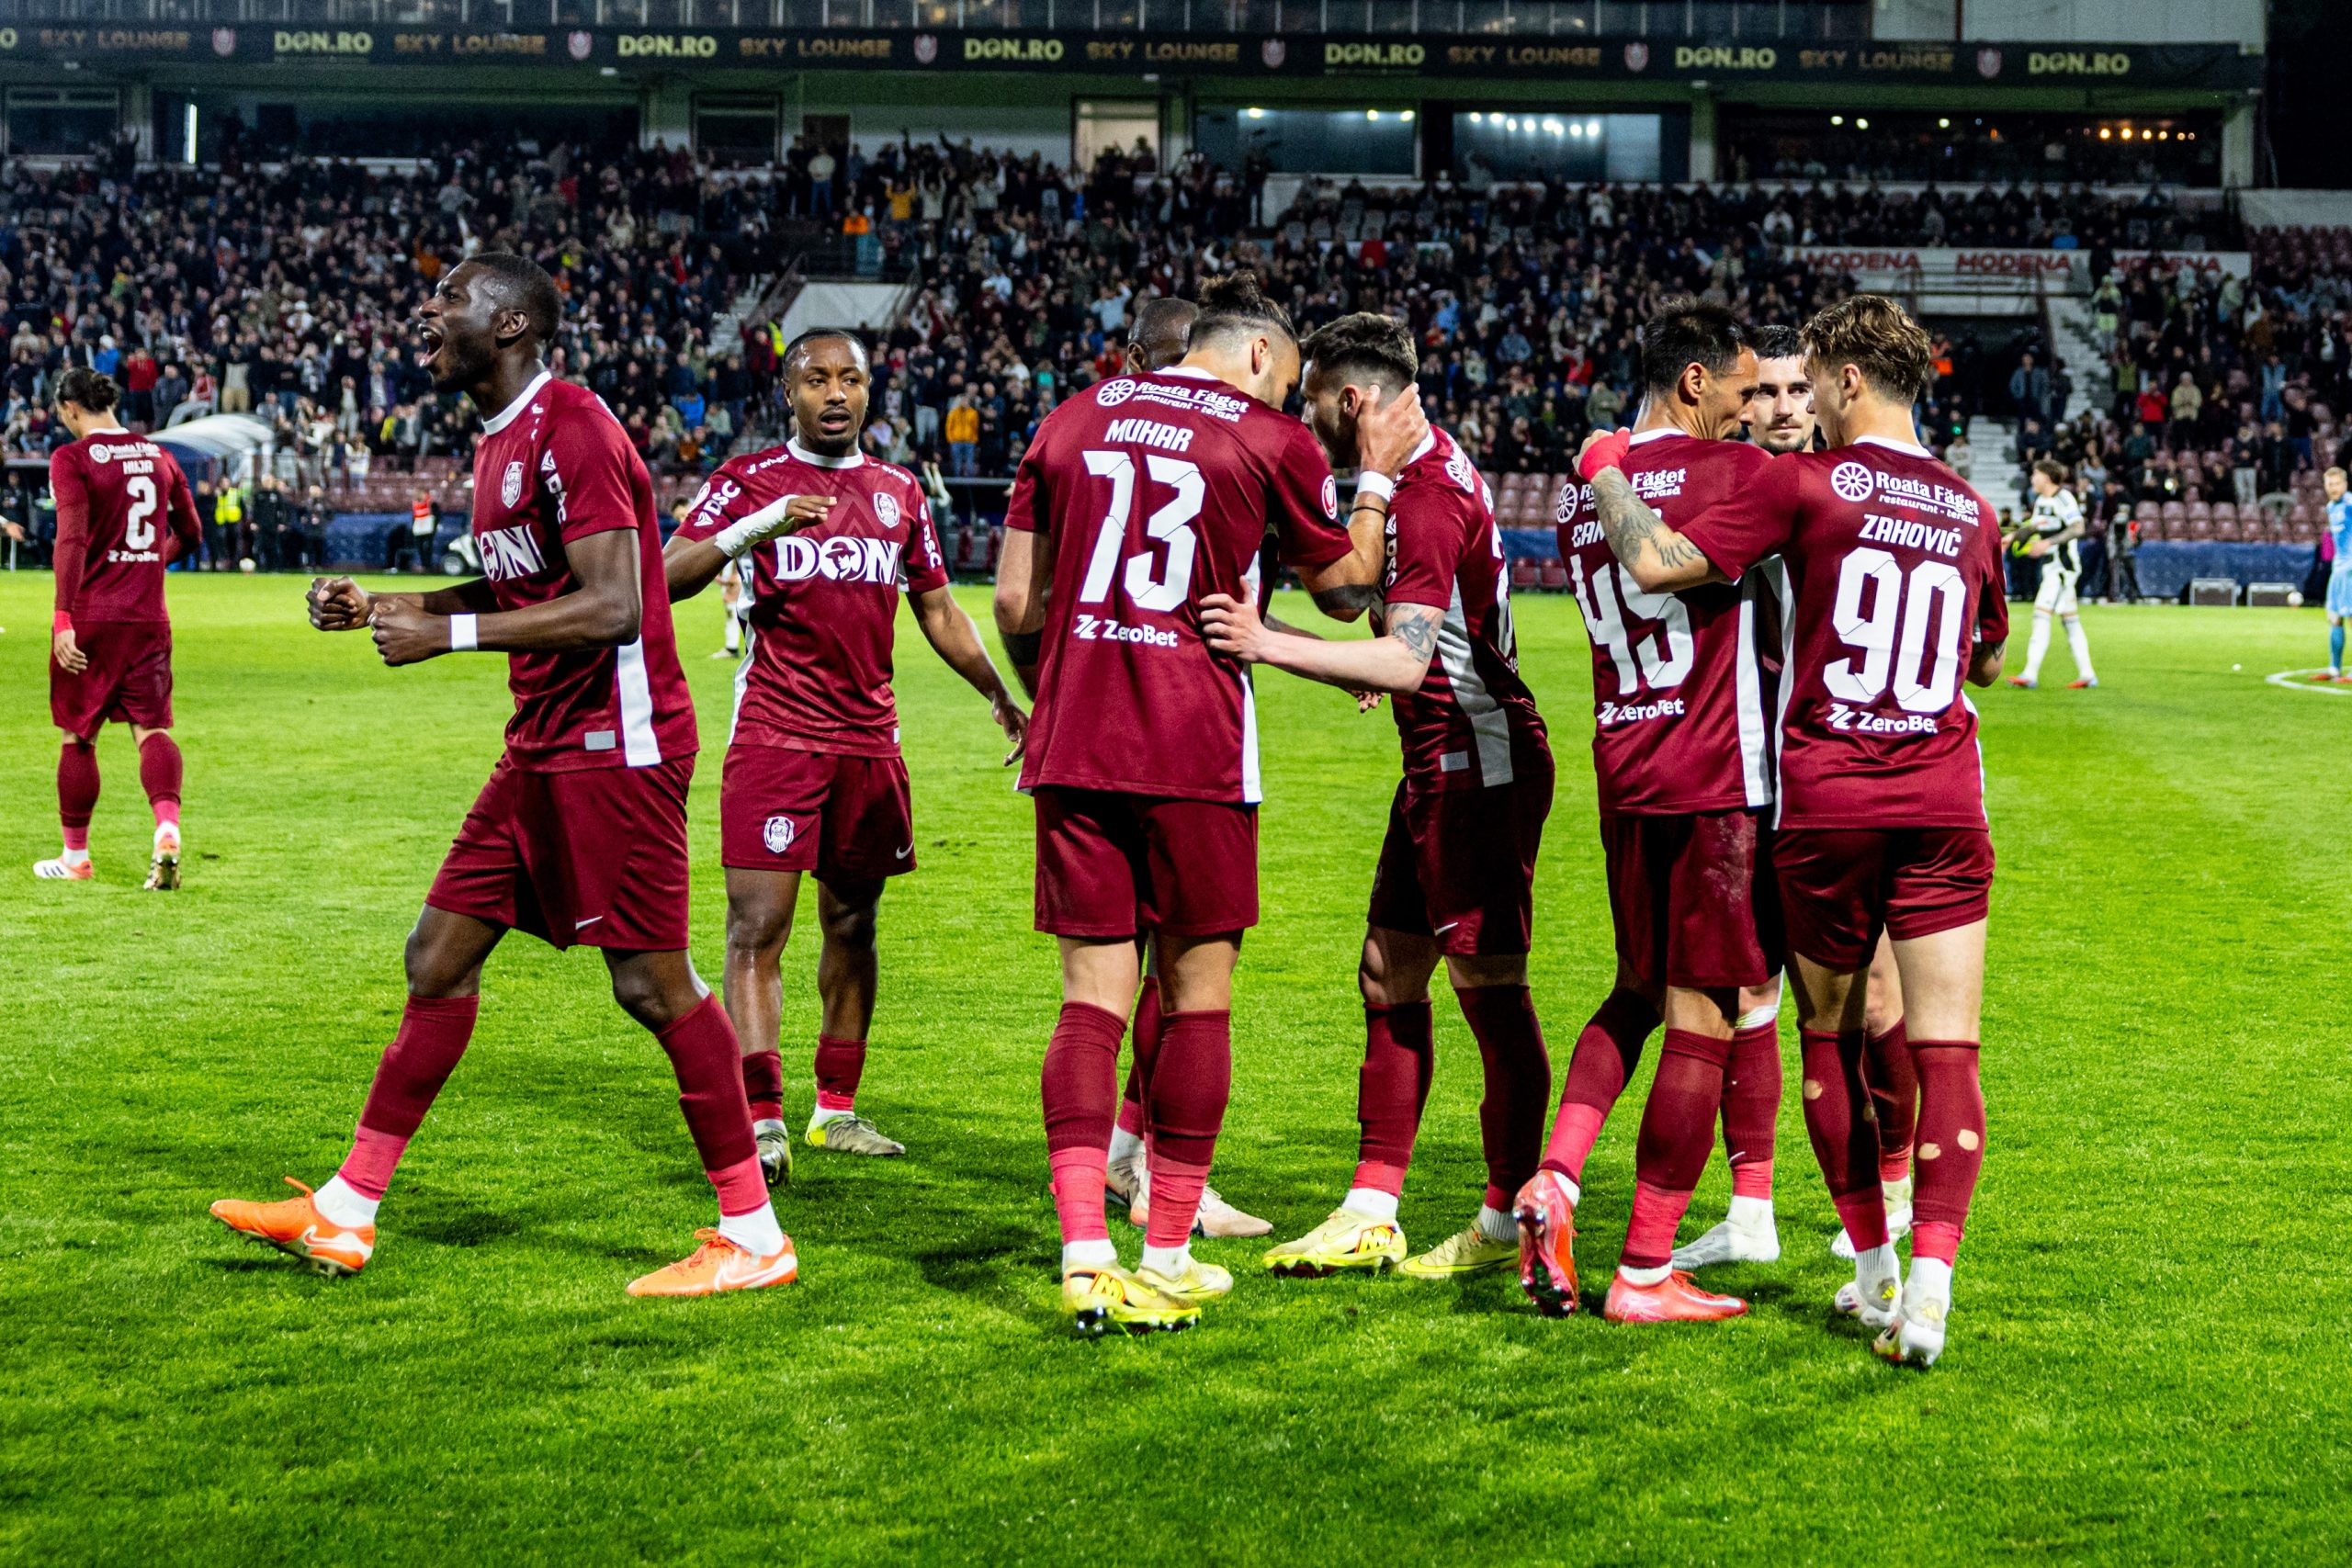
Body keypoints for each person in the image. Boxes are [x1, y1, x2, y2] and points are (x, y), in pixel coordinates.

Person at [208, 253, 792, 1299]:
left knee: (653, 986)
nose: (427, 312)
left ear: (511, 323)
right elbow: (525, 582)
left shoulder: (575, 427)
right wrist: (399, 605)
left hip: (618, 746)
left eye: (450, 298)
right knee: (436, 958)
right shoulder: (499, 437)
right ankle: (347, 1210)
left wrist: (447, 636)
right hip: (543, 743)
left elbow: (616, 604)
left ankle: (753, 1233)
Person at [992, 271, 1422, 1335]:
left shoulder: (1070, 419)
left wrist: (1057, 694)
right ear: (1262, 353)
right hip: (1193, 747)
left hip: (1076, 743)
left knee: (1090, 1001)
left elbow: (1013, 600)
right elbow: (1346, 590)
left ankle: (1084, 1253)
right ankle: (1169, 1252)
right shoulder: (1268, 438)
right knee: (1196, 995)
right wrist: (1373, 478)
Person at [1581, 293, 2007, 1368]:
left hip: (1828, 801)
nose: (1797, 400)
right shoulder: (1971, 507)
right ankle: (1930, 1292)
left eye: (1809, 379)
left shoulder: (1804, 485)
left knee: (1824, 1034)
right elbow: (1988, 658)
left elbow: (1656, 562)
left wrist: (1605, 470)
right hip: (1943, 796)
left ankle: (1872, 1274)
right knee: (1946, 1047)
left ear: (1848, 380)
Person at [1206, 312, 1555, 1285]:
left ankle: (1505, 1219)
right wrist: (1308, 639)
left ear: (1352, 401)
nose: (1306, 417)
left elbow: (1405, 659)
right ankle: (1370, 1211)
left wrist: (1268, 644)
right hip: (1439, 761)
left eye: (1316, 401)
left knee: (1489, 989)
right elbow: (1381, 616)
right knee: (1386, 972)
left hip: (1479, 764)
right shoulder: (1409, 478)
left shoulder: (1428, 493)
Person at [662, 329, 1026, 1185]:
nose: (835, 393)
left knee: (854, 925)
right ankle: (762, 1121)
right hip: (775, 737)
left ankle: (835, 1110)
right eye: (816, 379)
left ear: (870, 390)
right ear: (787, 392)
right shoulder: (747, 479)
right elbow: (667, 573)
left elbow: (938, 611)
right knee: (757, 928)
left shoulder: (899, 491)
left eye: (851, 379)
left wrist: (1000, 694)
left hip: (869, 742)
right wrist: (757, 525)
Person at [1528, 299, 1779, 1325]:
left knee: (1635, 988)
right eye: (1743, 389)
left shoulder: (1581, 494)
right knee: (1707, 1014)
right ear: (1693, 380)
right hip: (1715, 778)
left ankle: (1556, 1176)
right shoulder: (1738, 473)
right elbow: (1670, 563)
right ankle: (1642, 1270)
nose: (1752, 409)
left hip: (1625, 768)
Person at [1673, 324, 1917, 1273]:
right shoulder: (1738, 495)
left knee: (1872, 992)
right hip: (1748, 779)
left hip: (1846, 777)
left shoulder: (1854, 494)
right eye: (1761, 392)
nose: (1780, 407)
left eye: (1793, 390)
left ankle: (1892, 1189)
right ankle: (1750, 1211)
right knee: (1751, 990)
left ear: (1824, 394)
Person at [1100, 292, 1272, 1240]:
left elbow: (1023, 602)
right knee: (1177, 972)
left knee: (1138, 976)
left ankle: (1123, 1160)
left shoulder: (1085, 440)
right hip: (1183, 747)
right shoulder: (1236, 447)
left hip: (1095, 746)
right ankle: (1166, 1190)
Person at [37, 367, 202, 890]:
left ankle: (75, 858)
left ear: (70, 409)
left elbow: (71, 540)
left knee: (78, 735)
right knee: (152, 730)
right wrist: (148, 564)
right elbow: (192, 532)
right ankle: (167, 829)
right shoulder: (159, 455)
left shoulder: (72, 459)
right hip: (148, 619)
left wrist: (63, 618)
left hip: (92, 618)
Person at [2008, 459, 2098, 690]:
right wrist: (2009, 538)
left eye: (2035, 474)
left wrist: (2047, 543)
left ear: (2047, 477)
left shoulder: (2064, 498)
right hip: (2052, 567)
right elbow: (2033, 527)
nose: (2032, 478)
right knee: (2071, 622)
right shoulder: (2041, 501)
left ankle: (2030, 673)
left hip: (2062, 568)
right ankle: (2088, 674)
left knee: (2040, 614)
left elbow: (2078, 528)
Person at [2324, 467, 2351, 681]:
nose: (2333, 488)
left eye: (2337, 484)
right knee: (2334, 617)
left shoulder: (2350, 503)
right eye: (2330, 484)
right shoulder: (2331, 507)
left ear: (2345, 484)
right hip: (2339, 567)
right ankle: (2334, 668)